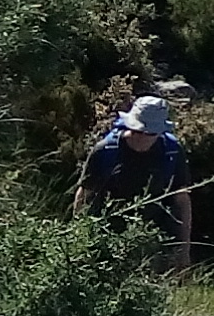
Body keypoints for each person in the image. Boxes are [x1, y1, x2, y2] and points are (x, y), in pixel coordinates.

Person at [77, 90, 194, 278]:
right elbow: (84, 195)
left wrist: (184, 249)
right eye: (137, 129)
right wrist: (79, 238)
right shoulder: (105, 151)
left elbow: (181, 200)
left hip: (152, 242)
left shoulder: (171, 152)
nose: (141, 136)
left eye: (148, 133)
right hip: (106, 242)